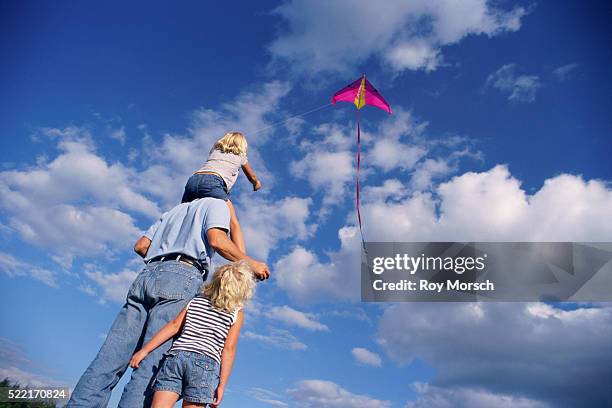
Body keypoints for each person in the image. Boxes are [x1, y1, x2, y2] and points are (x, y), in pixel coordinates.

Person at [67, 197, 269, 408]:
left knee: (110, 356)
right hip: (184, 274)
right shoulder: (216, 204)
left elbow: (141, 246)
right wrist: (246, 252)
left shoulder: (175, 211)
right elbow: (217, 240)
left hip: (148, 272)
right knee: (149, 367)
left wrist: (164, 261)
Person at [129, 260, 254, 407]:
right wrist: (222, 385)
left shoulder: (196, 301)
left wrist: (144, 350)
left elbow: (174, 326)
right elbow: (229, 349)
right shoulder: (236, 313)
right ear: (243, 289)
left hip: (176, 358)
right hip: (205, 365)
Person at [181, 131, 261, 253]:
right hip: (213, 182)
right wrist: (256, 183)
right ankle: (243, 261)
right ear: (242, 146)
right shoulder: (241, 157)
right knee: (233, 222)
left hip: (193, 180)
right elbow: (252, 176)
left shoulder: (215, 150)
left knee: (183, 216)